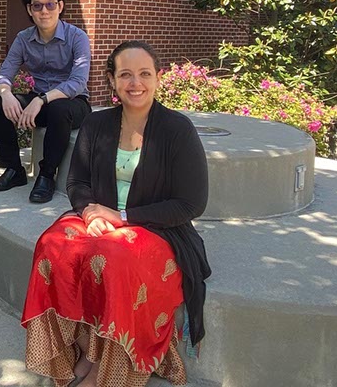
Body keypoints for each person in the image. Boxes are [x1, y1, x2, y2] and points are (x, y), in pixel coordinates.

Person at [21, 40, 211, 386]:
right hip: (99, 218)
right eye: (125, 74)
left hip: (156, 228)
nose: (135, 83)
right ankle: (83, 348)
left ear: (157, 78)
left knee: (113, 257)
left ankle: (106, 368)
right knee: (51, 245)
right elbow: (76, 181)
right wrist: (92, 215)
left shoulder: (177, 130)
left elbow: (191, 203)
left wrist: (120, 217)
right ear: (112, 80)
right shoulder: (96, 125)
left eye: (144, 74)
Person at [0, 0, 91, 204]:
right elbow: (4, 73)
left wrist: (41, 99)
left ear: (60, 6)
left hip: (73, 105)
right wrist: (5, 93)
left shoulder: (77, 37)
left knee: (59, 108)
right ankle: (14, 170)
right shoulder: (23, 38)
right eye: (37, 5)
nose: (44, 11)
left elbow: (78, 82)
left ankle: (46, 175)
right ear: (29, 10)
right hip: (40, 102)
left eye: (50, 4)